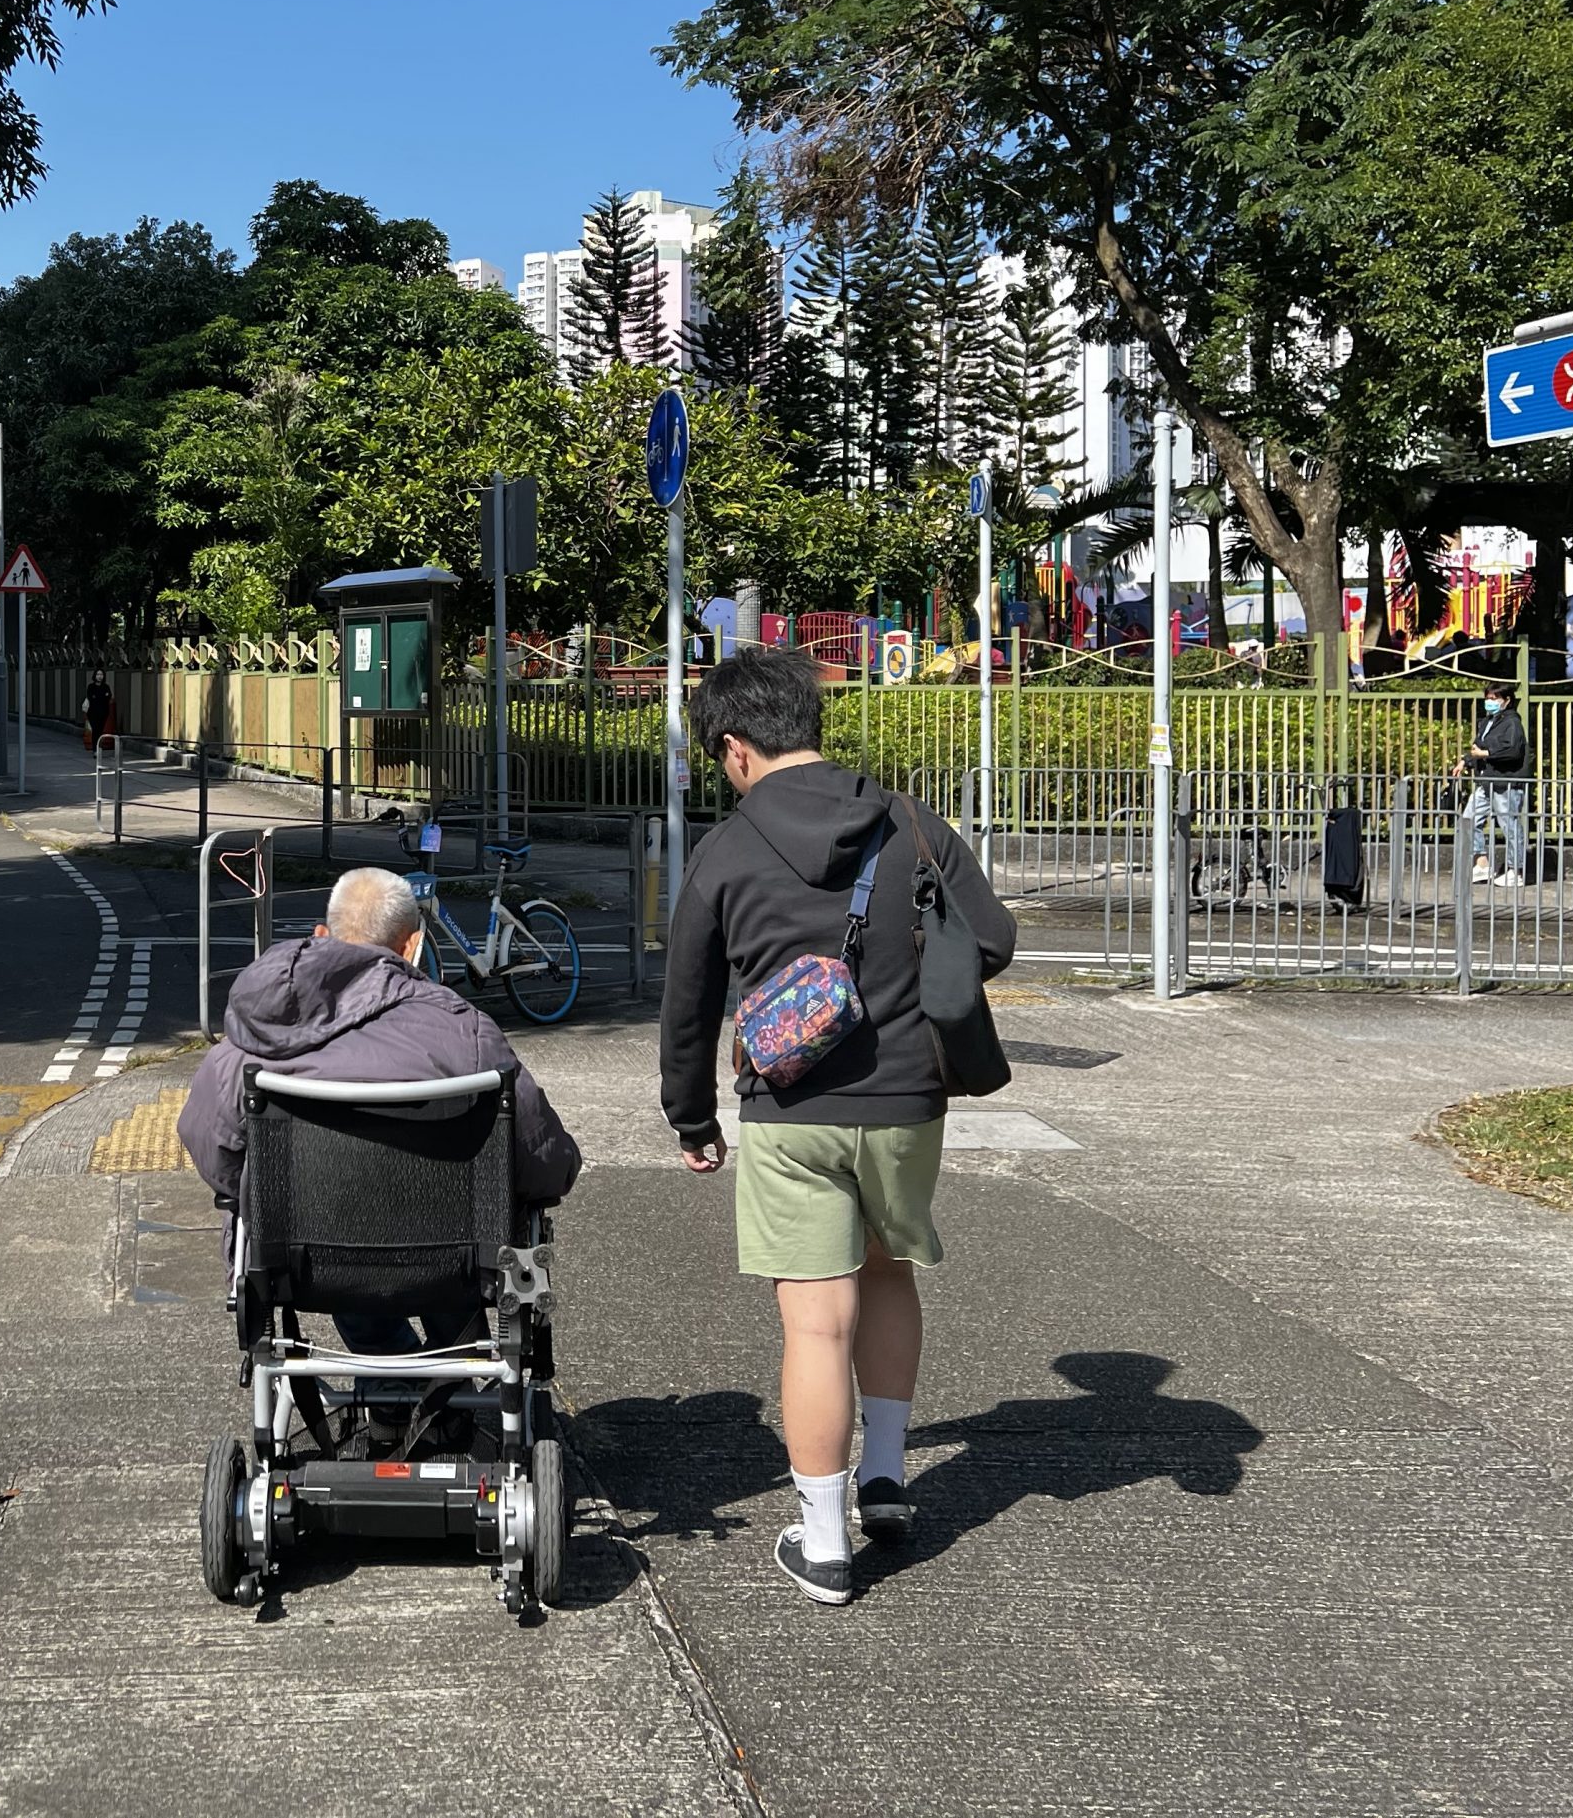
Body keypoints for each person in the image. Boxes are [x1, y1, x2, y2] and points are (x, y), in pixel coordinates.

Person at [660, 646, 1016, 1606]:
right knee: (889, 1271)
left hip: (789, 1111)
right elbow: (992, 939)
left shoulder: (724, 850)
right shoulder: (908, 821)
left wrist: (690, 1116)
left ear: (734, 749)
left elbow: (688, 1005)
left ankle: (823, 1543)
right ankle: (887, 1478)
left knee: (816, 1323)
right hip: (906, 1104)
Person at [179, 867, 580, 1356]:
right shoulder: (468, 1035)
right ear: (412, 946)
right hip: (451, 1259)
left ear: (321, 936)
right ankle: (444, 1382)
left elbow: (217, 1158)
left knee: (323, 1219)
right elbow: (546, 1165)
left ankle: (391, 1374)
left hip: (308, 1261)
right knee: (467, 1221)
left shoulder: (256, 1038)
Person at [1454, 676, 1530, 887]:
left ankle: (1516, 870)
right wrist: (1466, 760)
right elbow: (1478, 747)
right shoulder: (1487, 722)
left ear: (1506, 700)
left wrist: (1485, 754)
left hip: (1505, 781)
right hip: (1486, 781)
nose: (1490, 701)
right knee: (1469, 819)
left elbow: (1512, 750)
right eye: (1488, 698)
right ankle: (1482, 864)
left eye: (1495, 698)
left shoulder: (1512, 723)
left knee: (1509, 825)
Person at [83, 673, 113, 754]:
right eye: (98, 674)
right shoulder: (91, 686)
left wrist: (98, 697)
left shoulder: (106, 686)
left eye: (101, 675)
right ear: (95, 676)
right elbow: (91, 697)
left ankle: (98, 747)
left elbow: (108, 696)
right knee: (95, 730)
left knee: (100, 730)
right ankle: (95, 749)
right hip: (93, 712)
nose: (100, 676)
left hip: (103, 712)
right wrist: (102, 696)